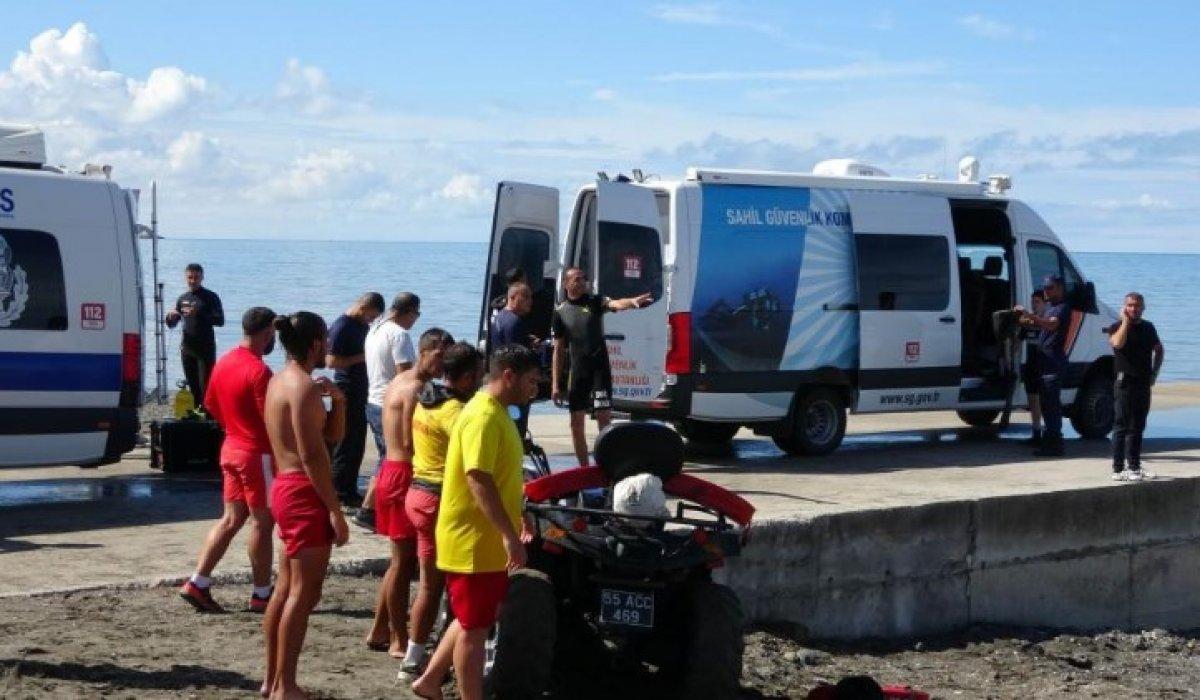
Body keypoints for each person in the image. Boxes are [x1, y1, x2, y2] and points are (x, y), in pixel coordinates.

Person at [411, 344, 540, 700]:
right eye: (531, 381)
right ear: (509, 376)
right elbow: (477, 479)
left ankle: (430, 679)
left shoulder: (498, 411)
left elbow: (502, 474)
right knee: (475, 630)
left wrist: (520, 513)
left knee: (477, 616)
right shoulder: (482, 416)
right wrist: (509, 535)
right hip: (471, 540)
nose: (536, 389)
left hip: (485, 540)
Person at [262, 311, 350, 700]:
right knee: (304, 593)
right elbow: (313, 455)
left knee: (286, 589)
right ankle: (285, 685)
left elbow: (331, 436)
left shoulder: (281, 380)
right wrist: (335, 510)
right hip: (303, 490)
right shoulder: (302, 388)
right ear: (315, 344)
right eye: (326, 339)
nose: (329, 344)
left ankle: (272, 680)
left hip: (285, 486)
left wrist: (339, 402)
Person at [179, 307, 278, 614]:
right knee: (262, 521)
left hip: (231, 447)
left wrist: (234, 425)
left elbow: (210, 403)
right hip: (256, 452)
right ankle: (262, 593)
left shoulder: (225, 361)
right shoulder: (259, 371)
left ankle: (198, 581)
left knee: (231, 519)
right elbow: (270, 419)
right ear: (268, 333)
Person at [368, 328, 454, 659]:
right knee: (403, 564)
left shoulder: (398, 379)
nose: (443, 365)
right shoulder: (418, 388)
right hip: (404, 473)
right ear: (424, 352)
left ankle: (380, 628)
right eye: (439, 357)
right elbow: (409, 441)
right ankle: (398, 638)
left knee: (398, 561)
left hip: (389, 471)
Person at [401, 342, 483, 679]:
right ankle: (429, 659)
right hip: (439, 500)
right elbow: (472, 462)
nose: (481, 382)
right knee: (451, 584)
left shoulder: (425, 398)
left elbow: (410, 444)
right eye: (479, 375)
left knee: (428, 584)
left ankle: (413, 656)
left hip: (418, 492)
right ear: (466, 378)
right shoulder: (455, 412)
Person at [551, 267, 652, 467]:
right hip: (578, 372)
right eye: (577, 279)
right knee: (576, 423)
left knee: (604, 418)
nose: (582, 282)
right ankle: (584, 468)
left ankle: (606, 465)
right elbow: (558, 350)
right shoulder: (560, 311)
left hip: (599, 369)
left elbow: (615, 303)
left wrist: (632, 302)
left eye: (584, 279)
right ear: (566, 284)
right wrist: (555, 384)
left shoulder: (595, 302)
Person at [357, 292, 420, 530]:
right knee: (394, 458)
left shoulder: (375, 329)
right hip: (390, 403)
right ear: (409, 311)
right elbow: (405, 375)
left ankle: (370, 508)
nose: (415, 320)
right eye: (416, 314)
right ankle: (371, 508)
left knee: (385, 456)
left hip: (373, 399)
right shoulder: (399, 334)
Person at [326, 292, 386, 506]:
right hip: (347, 388)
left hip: (361, 388)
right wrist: (365, 356)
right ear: (363, 307)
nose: (372, 320)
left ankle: (348, 487)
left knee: (357, 440)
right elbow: (331, 361)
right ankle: (339, 491)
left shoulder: (360, 325)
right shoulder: (342, 326)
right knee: (347, 440)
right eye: (372, 316)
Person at [1108, 292, 1165, 481]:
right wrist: (1125, 321)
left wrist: (1154, 373)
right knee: (1121, 425)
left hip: (1143, 382)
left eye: (1137, 305)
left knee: (1138, 426)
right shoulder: (1116, 327)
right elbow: (1117, 343)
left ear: (1143, 308)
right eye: (1130, 305)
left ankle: (1134, 467)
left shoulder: (1148, 328)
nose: (1134, 308)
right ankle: (1118, 469)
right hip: (1124, 382)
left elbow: (1159, 350)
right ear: (1125, 307)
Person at [1019, 274, 1068, 457]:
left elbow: (1051, 325)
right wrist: (1024, 319)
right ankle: (1049, 443)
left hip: (1053, 363)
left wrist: (1030, 315)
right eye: (1045, 287)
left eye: (1050, 288)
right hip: (1043, 363)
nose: (1046, 291)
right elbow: (1038, 324)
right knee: (1046, 406)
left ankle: (1055, 445)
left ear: (1060, 289)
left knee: (1052, 406)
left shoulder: (1062, 307)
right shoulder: (1050, 308)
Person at [165, 263, 225, 409]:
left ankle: (209, 415)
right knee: (193, 386)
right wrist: (170, 318)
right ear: (186, 278)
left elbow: (220, 321)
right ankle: (196, 415)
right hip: (187, 348)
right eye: (190, 277)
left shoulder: (210, 297)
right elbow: (173, 324)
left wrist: (199, 313)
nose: (193, 281)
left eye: (196, 277)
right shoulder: (182, 298)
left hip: (205, 349)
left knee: (206, 386)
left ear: (202, 277)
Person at [489, 281, 537, 436]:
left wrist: (526, 341)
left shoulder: (498, 317)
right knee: (516, 427)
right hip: (515, 382)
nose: (530, 301)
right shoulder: (514, 322)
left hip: (500, 377)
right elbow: (515, 355)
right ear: (513, 297)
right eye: (526, 297)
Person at [1016, 290, 1047, 445]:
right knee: (1033, 401)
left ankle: (1050, 433)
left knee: (1045, 401)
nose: (1034, 305)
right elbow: (1018, 340)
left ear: (1045, 304)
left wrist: (1029, 316)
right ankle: (1036, 433)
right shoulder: (1028, 323)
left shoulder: (1047, 321)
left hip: (1045, 366)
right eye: (1033, 302)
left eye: (1037, 302)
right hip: (1031, 365)